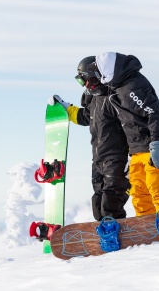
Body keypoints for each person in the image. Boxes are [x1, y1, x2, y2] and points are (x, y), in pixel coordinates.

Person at [74, 52, 159, 217]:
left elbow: (156, 113)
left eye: (94, 79)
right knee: (138, 189)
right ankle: (146, 223)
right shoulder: (116, 88)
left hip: (154, 143)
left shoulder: (131, 88)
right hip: (137, 147)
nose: (89, 85)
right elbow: (93, 117)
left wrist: (157, 143)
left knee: (155, 183)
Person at [51, 56, 130, 221]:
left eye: (88, 79)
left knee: (111, 201)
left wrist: (132, 156)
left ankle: (117, 235)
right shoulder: (94, 101)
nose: (86, 85)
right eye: (82, 81)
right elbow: (84, 117)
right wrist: (64, 107)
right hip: (98, 159)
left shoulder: (115, 98)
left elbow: (132, 126)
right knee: (98, 204)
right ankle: (104, 234)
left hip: (117, 158)